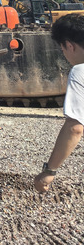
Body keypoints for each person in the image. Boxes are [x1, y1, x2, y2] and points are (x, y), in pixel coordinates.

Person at [34, 13, 84, 193]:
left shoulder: (80, 71)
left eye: (62, 49)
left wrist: (49, 171)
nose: (64, 54)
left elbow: (75, 127)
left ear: (69, 45)